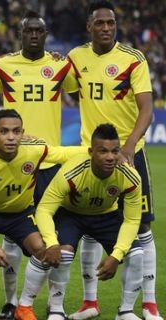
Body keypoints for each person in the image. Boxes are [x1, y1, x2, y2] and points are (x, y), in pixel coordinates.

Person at [67, 2, 161, 319]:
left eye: (111, 23)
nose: (107, 28)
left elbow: (147, 109)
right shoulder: (76, 58)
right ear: (89, 27)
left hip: (128, 154)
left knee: (142, 227)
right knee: (90, 225)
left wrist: (130, 147)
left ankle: (147, 305)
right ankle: (90, 303)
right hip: (90, 154)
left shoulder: (133, 59)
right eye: (101, 23)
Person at [0, 10, 76, 319]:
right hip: (13, 161)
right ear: (20, 34)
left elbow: (84, 96)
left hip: (50, 163)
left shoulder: (61, 64)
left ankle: (54, 304)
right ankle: (11, 302)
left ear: (46, 34)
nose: (34, 35)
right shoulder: (3, 65)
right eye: (29, 31)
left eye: (39, 31)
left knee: (54, 237)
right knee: (13, 236)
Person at [0, 109, 83, 320]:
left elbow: (64, 153)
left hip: (19, 214)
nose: (11, 137)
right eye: (4, 131)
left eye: (16, 131)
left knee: (44, 249)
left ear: (23, 133)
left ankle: (24, 307)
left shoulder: (34, 151)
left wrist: (98, 151)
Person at [36, 123, 144, 320]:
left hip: (106, 215)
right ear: (91, 151)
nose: (110, 157)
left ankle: (126, 311)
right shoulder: (71, 172)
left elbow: (132, 219)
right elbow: (43, 209)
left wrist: (116, 256)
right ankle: (56, 309)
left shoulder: (130, 177)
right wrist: (51, 242)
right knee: (64, 253)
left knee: (136, 254)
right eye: (103, 151)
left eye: (114, 151)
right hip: (72, 215)